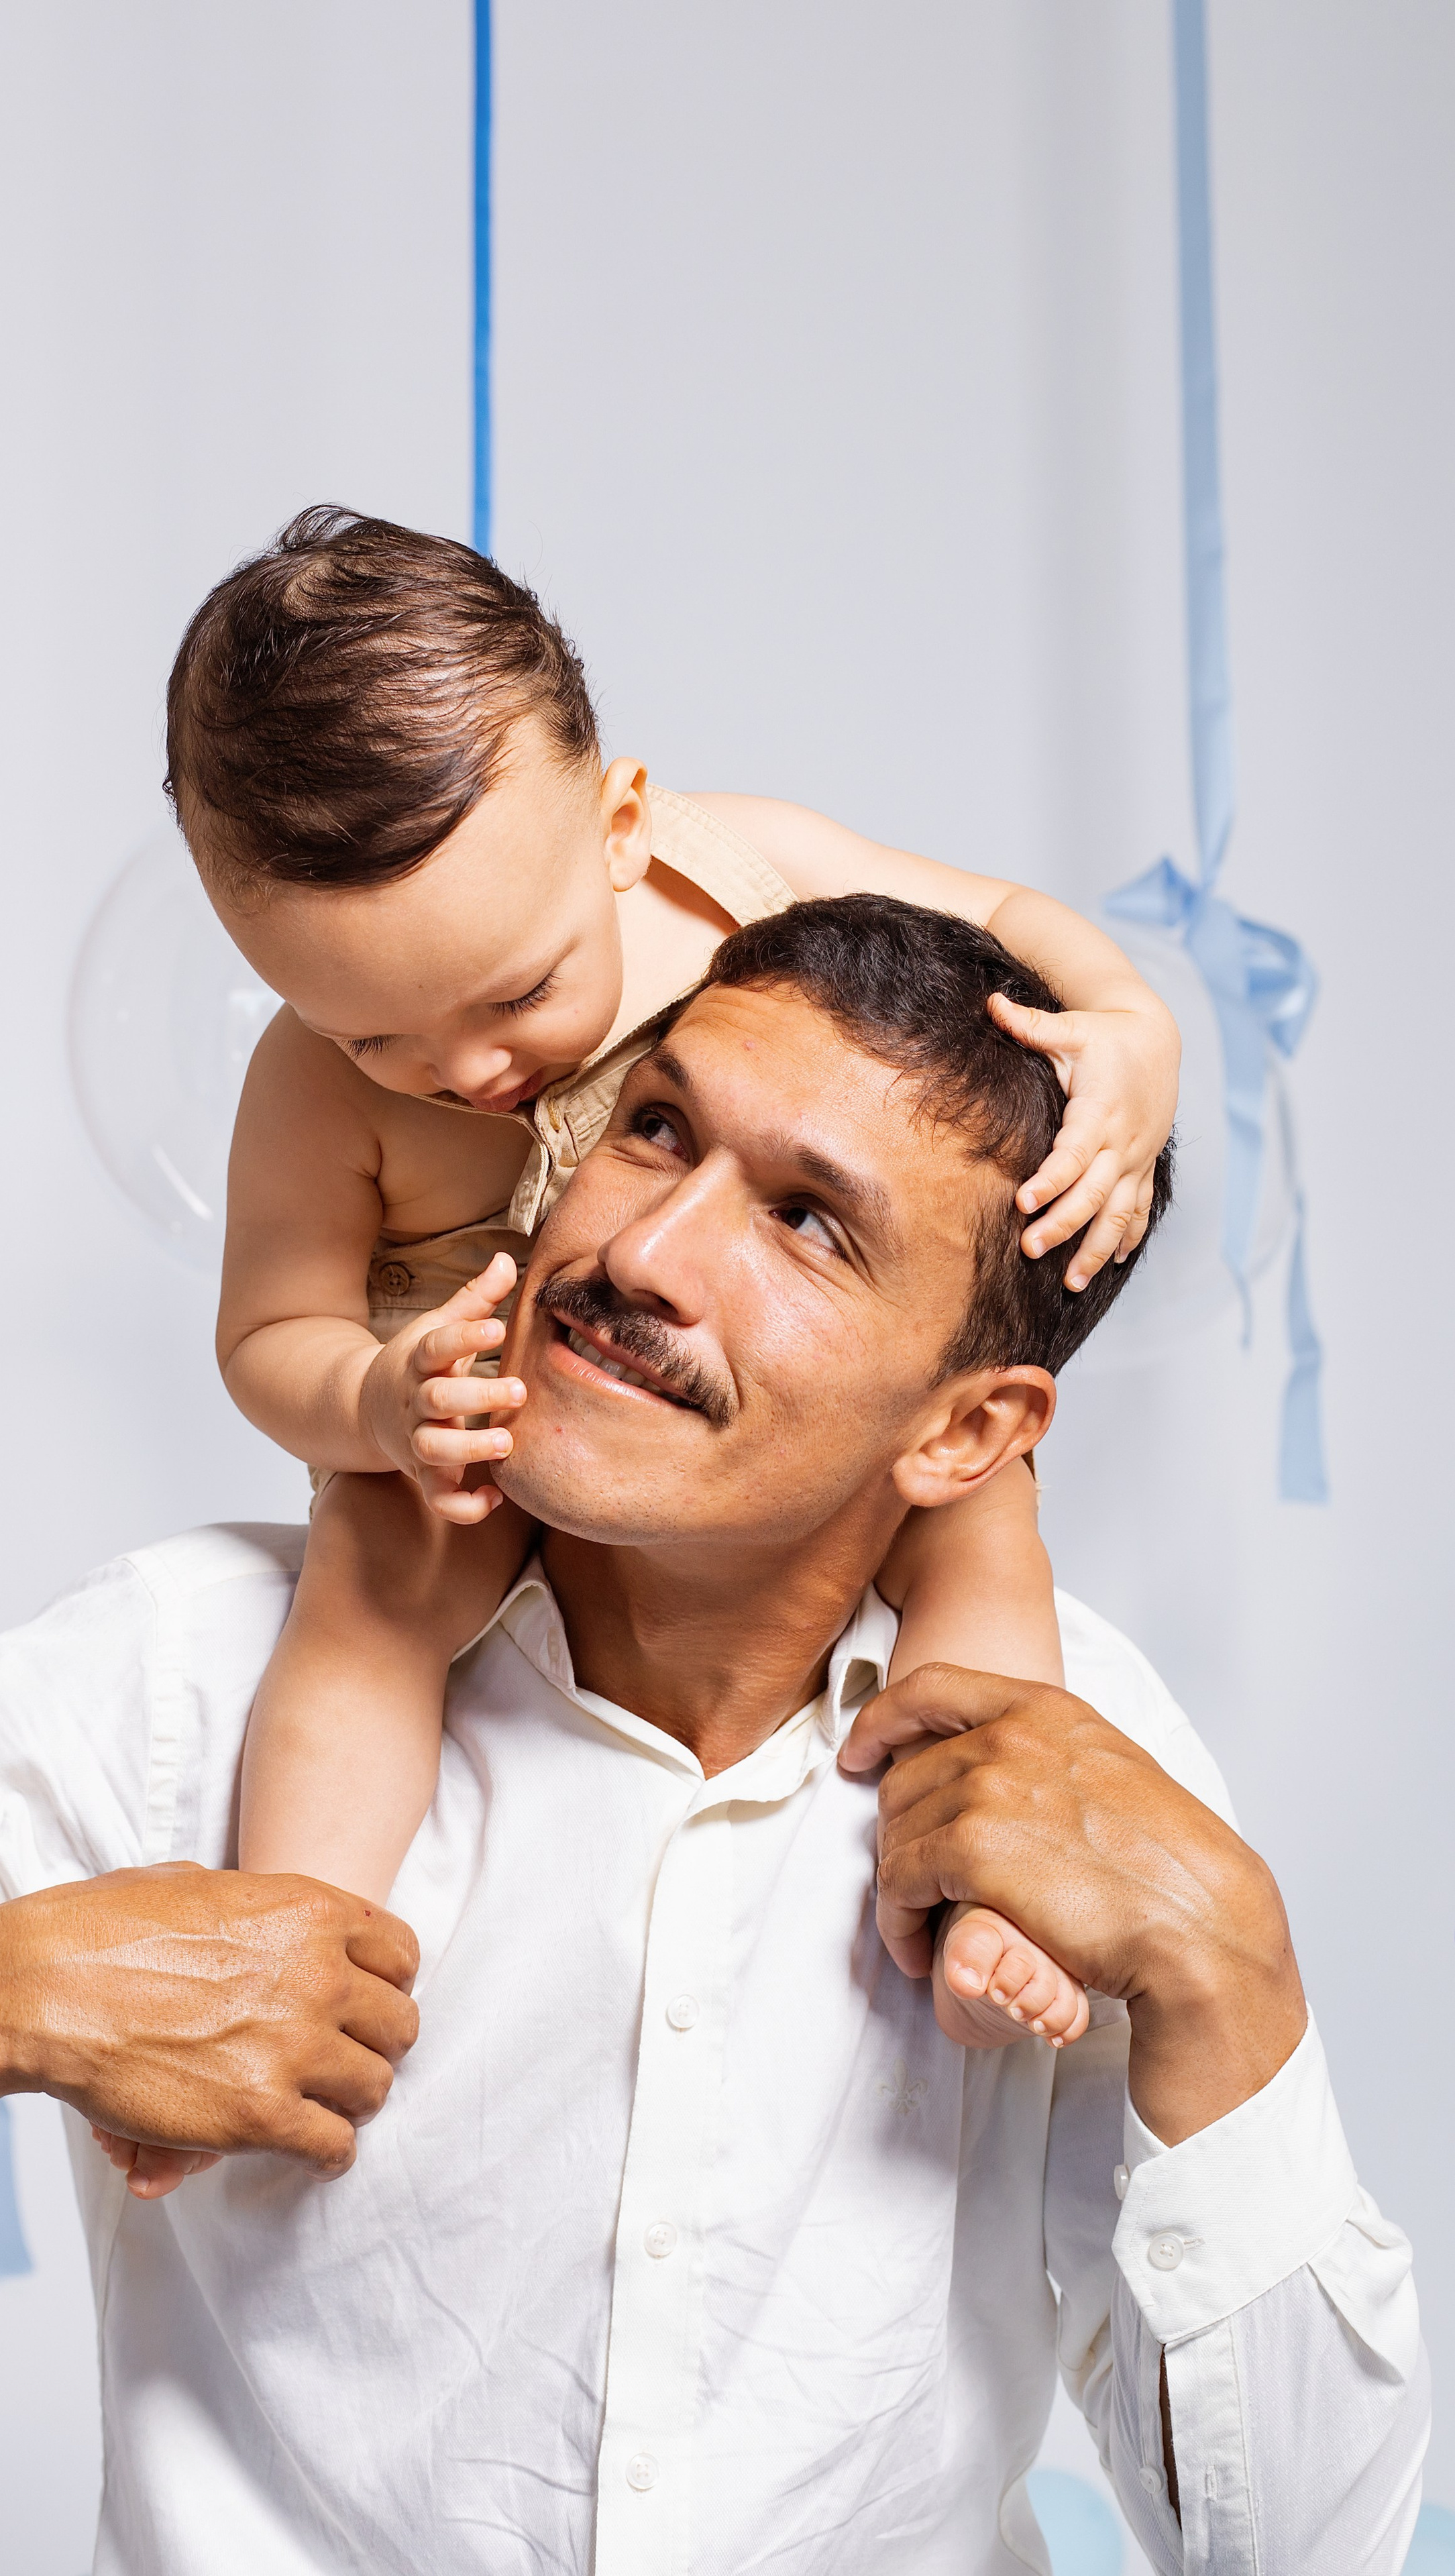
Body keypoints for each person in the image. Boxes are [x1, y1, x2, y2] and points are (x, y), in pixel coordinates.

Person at [0, 899, 1424, 2573]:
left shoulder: (1076, 1777)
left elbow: (1305, 2553)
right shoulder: (177, 1670)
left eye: (807, 1227)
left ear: (968, 1430)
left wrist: (1233, 1973)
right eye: (654, 1132)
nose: (640, 1255)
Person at [161, 504, 1179, 2101]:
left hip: (761, 1404)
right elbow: (263, 1335)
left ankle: (998, 1881)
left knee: (983, 1536)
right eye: (379, 1040)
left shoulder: (736, 875)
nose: (467, 1070)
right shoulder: (306, 1086)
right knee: (370, 1584)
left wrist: (1126, 1025)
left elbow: (1008, 926)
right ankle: (290, 1952)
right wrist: (375, 1399)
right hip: (479, 1392)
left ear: (623, 822)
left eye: (515, 992)